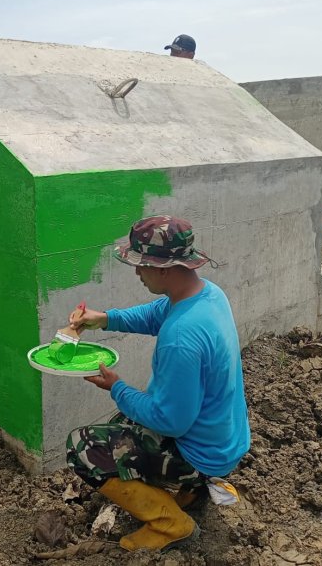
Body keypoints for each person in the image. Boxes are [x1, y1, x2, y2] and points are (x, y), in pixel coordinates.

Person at [65, 215, 250, 551]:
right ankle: (189, 493)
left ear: (164, 269)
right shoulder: (207, 295)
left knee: (83, 447)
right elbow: (156, 314)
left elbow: (170, 422)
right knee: (123, 419)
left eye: (141, 264)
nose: (137, 272)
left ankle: (171, 524)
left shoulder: (181, 338)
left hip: (201, 455)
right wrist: (104, 319)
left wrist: (117, 388)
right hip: (224, 439)